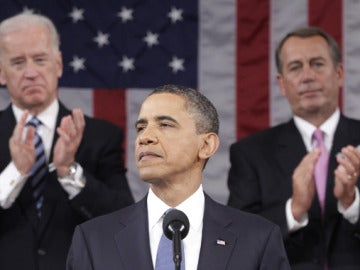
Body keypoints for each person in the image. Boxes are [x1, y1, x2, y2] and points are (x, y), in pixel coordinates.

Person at [66, 84, 290, 270]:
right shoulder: (93, 240)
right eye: (141, 127)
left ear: (206, 145)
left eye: (165, 125)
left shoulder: (258, 239)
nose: (145, 137)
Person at [0, 12, 134, 270]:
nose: (30, 73)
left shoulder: (100, 137)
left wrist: (68, 170)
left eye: (40, 59)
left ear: (58, 64)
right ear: (2, 73)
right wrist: (15, 172)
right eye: (18, 62)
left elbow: (124, 221)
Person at [227, 26, 360, 269]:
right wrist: (294, 209)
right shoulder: (250, 153)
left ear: (339, 73)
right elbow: (237, 239)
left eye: (317, 63)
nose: (307, 76)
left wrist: (352, 203)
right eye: (295, 67)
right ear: (282, 84)